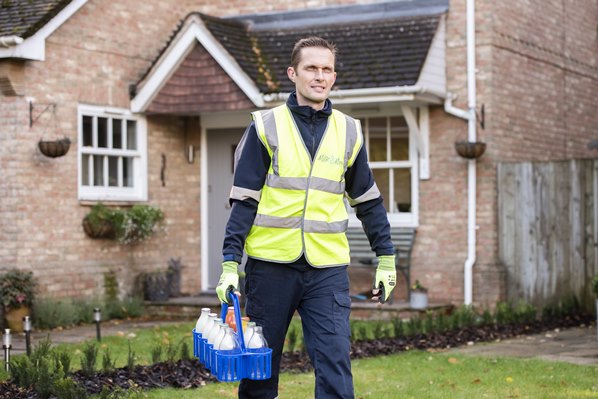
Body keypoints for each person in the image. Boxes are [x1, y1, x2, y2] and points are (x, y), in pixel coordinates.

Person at [217, 36, 396, 399]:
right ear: (293, 73)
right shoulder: (266, 127)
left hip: (326, 269)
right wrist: (229, 263)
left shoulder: (349, 131)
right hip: (270, 267)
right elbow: (244, 201)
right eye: (311, 68)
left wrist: (387, 257)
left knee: (334, 363)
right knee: (259, 370)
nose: (319, 76)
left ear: (334, 77)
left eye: (326, 69)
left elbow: (368, 200)